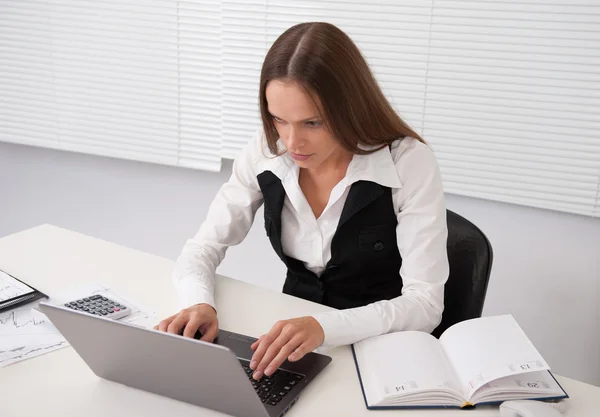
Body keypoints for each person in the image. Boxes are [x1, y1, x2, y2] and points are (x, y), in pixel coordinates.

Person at [156, 22, 449, 381]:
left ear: (351, 109)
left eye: (313, 123)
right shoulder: (265, 152)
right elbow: (203, 247)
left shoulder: (409, 162)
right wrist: (197, 302)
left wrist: (323, 327)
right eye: (279, 119)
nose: (293, 142)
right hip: (294, 344)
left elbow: (426, 305)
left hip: (383, 349)